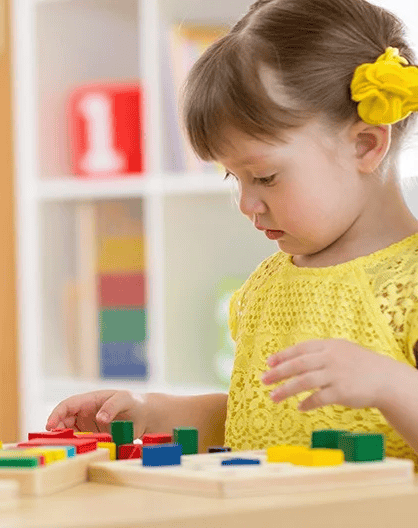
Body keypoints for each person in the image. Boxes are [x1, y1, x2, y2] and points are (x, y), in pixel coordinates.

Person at [46, 0, 418, 462]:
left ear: (365, 144)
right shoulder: (267, 286)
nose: (246, 203)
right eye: (232, 178)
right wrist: (152, 412)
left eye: (264, 177)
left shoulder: (410, 286)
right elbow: (257, 418)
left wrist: (390, 384)